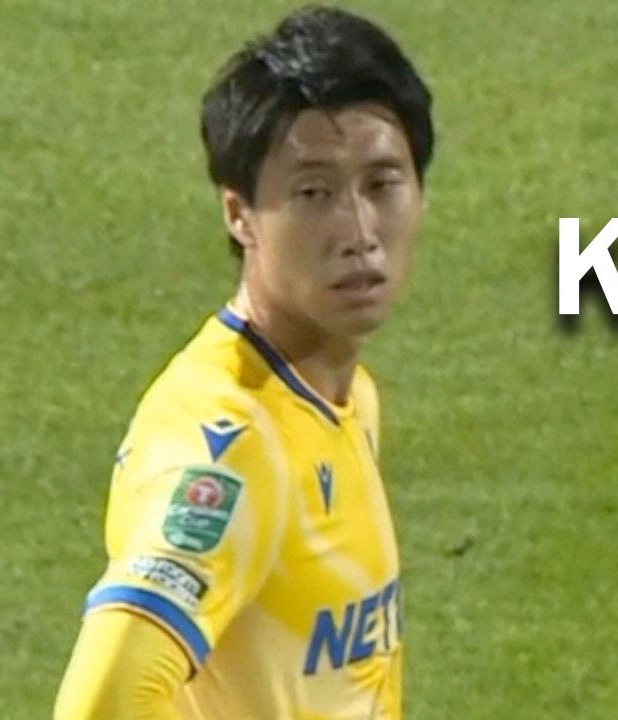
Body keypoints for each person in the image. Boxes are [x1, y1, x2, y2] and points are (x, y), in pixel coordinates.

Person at [53, 6, 433, 718]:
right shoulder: (231, 449)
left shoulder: (341, 393)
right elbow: (99, 704)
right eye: (314, 193)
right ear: (240, 214)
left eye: (382, 184)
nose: (359, 232)